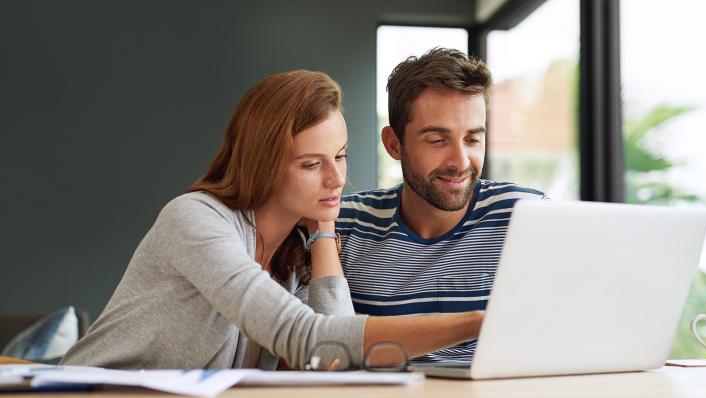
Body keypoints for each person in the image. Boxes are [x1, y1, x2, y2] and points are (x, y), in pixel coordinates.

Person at [61, 70, 483, 370]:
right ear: (262, 165)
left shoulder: (290, 257)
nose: (338, 178)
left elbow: (328, 361)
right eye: (311, 164)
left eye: (340, 156)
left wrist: (323, 228)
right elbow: (310, 339)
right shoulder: (194, 220)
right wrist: (479, 323)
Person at [337, 49, 547, 364]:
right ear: (394, 144)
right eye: (437, 140)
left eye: (473, 140)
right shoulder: (345, 224)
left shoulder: (527, 217)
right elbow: (321, 349)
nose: (460, 162)